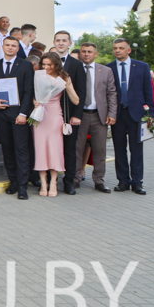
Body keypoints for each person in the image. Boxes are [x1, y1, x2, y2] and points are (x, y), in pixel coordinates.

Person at [0, 36, 36, 199]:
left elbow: (29, 91)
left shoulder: (26, 65)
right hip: (1, 114)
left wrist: (23, 114)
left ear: (18, 48)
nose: (10, 48)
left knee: (21, 150)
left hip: (19, 115)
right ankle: (13, 181)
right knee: (7, 149)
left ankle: (23, 186)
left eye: (13, 46)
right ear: (2, 46)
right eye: (7, 45)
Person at [109, 38, 154, 194]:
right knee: (119, 149)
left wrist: (151, 114)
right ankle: (123, 181)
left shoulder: (142, 67)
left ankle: (137, 182)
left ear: (129, 50)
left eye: (121, 48)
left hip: (137, 115)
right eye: (115, 48)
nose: (117, 50)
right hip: (117, 115)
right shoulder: (108, 68)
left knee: (136, 150)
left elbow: (148, 92)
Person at [32, 53, 79, 197]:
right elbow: (29, 94)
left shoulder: (64, 77)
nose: (45, 67)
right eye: (43, 64)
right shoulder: (37, 75)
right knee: (40, 149)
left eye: (49, 65)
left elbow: (76, 100)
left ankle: (53, 182)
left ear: (56, 64)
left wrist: (68, 85)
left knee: (55, 150)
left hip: (54, 116)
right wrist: (34, 102)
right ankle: (43, 183)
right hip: (39, 116)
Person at [74, 42, 117, 192]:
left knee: (100, 150)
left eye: (89, 51)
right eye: (84, 51)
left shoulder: (105, 71)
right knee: (77, 149)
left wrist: (112, 113)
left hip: (99, 116)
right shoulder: (75, 69)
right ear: (80, 53)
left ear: (95, 54)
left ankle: (99, 180)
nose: (86, 54)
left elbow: (111, 93)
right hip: (80, 116)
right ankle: (75, 179)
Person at [52, 30, 86, 195]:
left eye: (64, 40)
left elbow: (82, 91)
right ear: (54, 42)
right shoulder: (48, 62)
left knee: (70, 149)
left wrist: (77, 115)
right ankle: (51, 182)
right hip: (51, 113)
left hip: (69, 114)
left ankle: (69, 182)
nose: (61, 43)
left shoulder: (77, 65)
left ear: (70, 43)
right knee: (52, 147)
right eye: (58, 40)